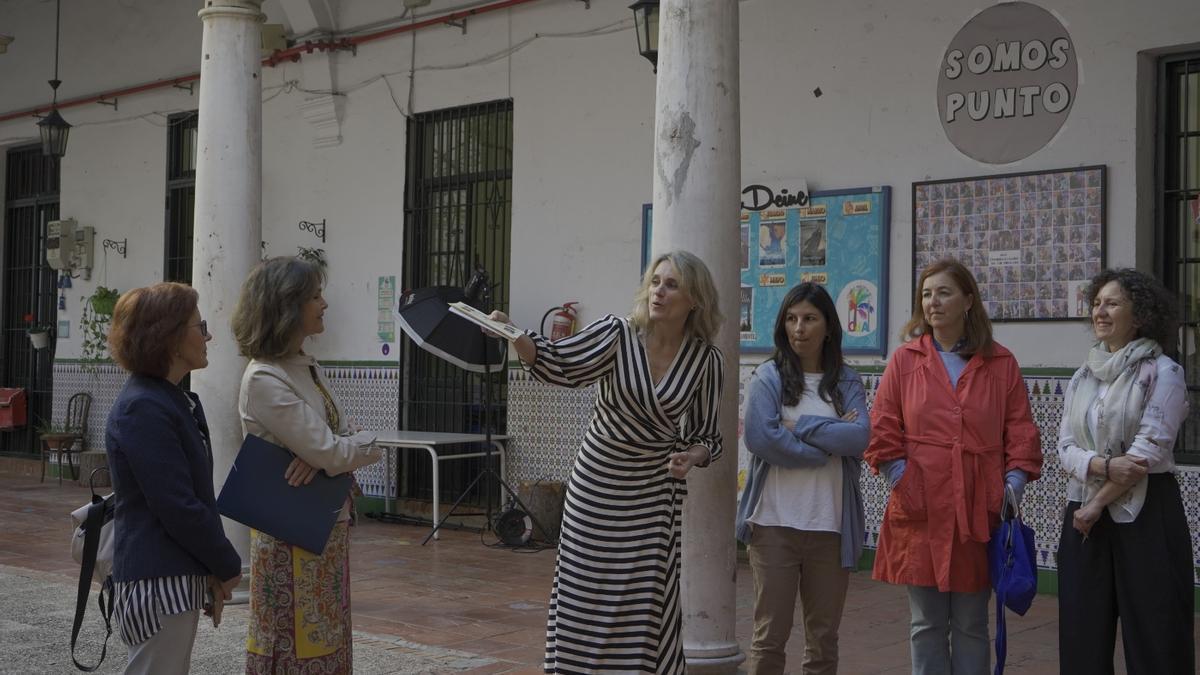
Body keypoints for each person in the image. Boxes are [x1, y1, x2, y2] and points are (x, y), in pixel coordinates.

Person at [489, 250, 724, 674]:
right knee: (583, 593)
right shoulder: (617, 334)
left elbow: (708, 437)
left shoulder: (706, 361)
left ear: (695, 300)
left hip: (653, 496)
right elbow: (559, 364)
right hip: (596, 487)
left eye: (671, 285)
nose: (659, 292)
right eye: (655, 282)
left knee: (644, 601)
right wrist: (513, 334)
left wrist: (692, 456)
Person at [864, 258, 1042, 674]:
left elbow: (1021, 431)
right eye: (926, 294)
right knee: (925, 623)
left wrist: (1011, 486)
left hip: (979, 508)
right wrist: (901, 478)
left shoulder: (1000, 362)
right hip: (920, 506)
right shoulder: (905, 360)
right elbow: (882, 428)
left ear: (968, 300)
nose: (933, 302)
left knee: (971, 622)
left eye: (943, 292)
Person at [231, 256, 382, 674]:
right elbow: (333, 451)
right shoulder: (266, 378)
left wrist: (330, 454)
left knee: (327, 637)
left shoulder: (306, 366)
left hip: (324, 524)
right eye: (315, 296)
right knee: (292, 641)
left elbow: (333, 445)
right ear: (287, 306)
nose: (325, 303)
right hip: (289, 533)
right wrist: (346, 451)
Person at [1056, 268, 1194, 673]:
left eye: (1112, 303)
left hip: (1146, 513)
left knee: (1156, 629)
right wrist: (1100, 465)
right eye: (1097, 303)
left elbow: (1146, 453)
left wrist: (1096, 504)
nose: (1100, 311)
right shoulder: (1084, 375)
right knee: (1082, 629)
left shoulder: (1164, 371)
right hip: (1082, 513)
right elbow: (1065, 447)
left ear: (1140, 315)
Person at [105, 282, 242, 675]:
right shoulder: (143, 406)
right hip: (157, 578)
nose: (208, 335)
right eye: (200, 327)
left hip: (170, 575)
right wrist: (227, 562)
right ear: (169, 337)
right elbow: (177, 504)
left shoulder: (164, 398)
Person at [735, 283, 870, 674]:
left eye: (810, 319)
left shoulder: (845, 381)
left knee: (823, 639)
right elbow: (762, 438)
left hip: (830, 527)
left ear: (828, 326)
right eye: (792, 319)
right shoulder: (767, 377)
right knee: (770, 636)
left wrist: (797, 425)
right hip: (774, 526)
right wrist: (828, 440)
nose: (800, 328)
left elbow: (859, 437)